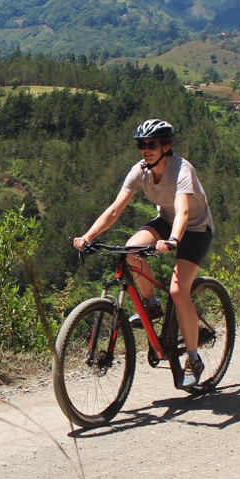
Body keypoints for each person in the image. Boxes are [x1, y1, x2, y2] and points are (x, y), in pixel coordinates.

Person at [73, 118, 215, 388]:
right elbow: (115, 209)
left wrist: (173, 240)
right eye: (141, 144)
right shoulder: (139, 171)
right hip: (166, 221)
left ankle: (194, 358)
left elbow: (184, 210)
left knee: (177, 290)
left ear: (166, 146)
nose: (145, 149)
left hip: (195, 229)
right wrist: (88, 236)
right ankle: (152, 306)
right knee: (131, 250)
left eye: (151, 144)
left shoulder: (182, 170)